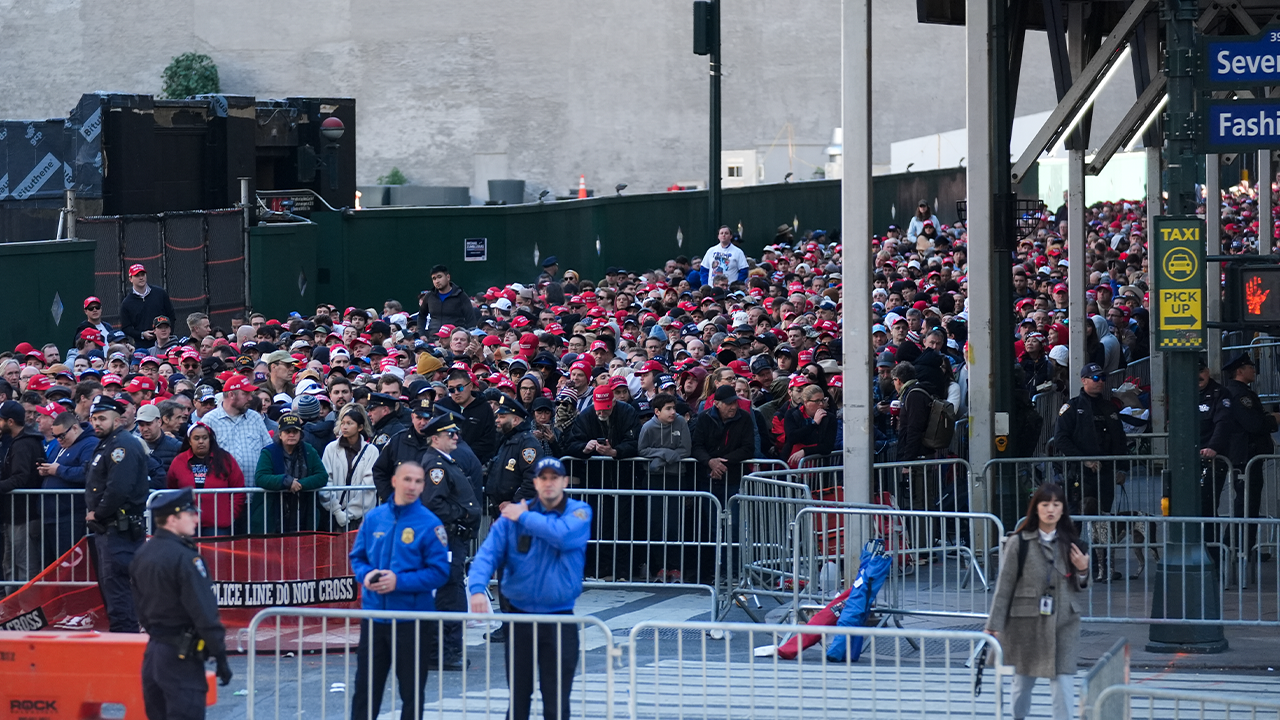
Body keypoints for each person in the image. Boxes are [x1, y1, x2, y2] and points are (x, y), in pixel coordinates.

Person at [468, 457, 590, 720]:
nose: (548, 483)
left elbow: (564, 535)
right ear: (535, 482)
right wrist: (477, 587)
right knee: (518, 698)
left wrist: (524, 516)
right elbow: (487, 554)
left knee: (556, 701)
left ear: (564, 482)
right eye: (542, 478)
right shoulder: (512, 518)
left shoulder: (578, 511)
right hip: (520, 618)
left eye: (554, 478)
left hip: (559, 619)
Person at [348, 461, 452, 720]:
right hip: (374, 618)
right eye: (407, 479)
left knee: (411, 693)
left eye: (418, 481)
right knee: (365, 690)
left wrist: (400, 581)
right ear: (394, 481)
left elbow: (439, 573)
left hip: (411, 621)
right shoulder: (374, 518)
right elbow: (357, 557)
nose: (413, 486)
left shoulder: (430, 524)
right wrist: (366, 574)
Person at [985, 483, 1089, 720]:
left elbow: (1081, 586)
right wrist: (994, 625)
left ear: (1063, 509)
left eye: (1056, 504)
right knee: (1022, 686)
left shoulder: (1072, 543)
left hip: (1063, 623)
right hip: (1026, 623)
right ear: (1036, 508)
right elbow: (1004, 586)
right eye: (1045, 504)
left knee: (1062, 685)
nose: (1050, 509)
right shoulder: (1019, 542)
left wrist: (1084, 570)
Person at [130, 488, 233, 720]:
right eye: (190, 514)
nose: (196, 518)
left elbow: (139, 605)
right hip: (181, 658)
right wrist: (221, 657)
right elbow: (205, 613)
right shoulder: (186, 558)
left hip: (154, 653)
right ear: (172, 519)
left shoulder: (143, 553)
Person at [418, 412, 482, 671]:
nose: (456, 436)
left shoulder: (444, 461)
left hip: (454, 537)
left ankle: (448, 647)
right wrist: (462, 516)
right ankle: (442, 650)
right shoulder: (436, 465)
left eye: (456, 432)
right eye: (449, 434)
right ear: (435, 439)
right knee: (449, 594)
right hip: (447, 537)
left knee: (453, 590)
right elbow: (434, 503)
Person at [84, 394, 150, 632]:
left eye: (102, 418)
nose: (96, 423)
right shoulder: (107, 443)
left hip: (118, 528)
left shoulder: (121, 445)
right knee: (114, 588)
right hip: (110, 529)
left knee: (118, 587)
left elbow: (118, 489)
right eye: (93, 419)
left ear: (118, 419)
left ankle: (124, 641)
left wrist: (98, 513)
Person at [1222, 352, 1280, 560]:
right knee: (1246, 503)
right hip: (1246, 455)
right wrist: (1273, 420)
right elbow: (1253, 424)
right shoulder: (1240, 395)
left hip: (1248, 455)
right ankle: (1239, 548)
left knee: (1248, 503)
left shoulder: (1241, 392)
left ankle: (1240, 546)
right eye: (1250, 367)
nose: (1253, 370)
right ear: (1240, 371)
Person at [1052, 363, 1127, 518]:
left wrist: (1122, 469)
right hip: (1079, 474)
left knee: (1104, 521)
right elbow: (1060, 439)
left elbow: (1120, 440)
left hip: (1105, 474)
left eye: (1102, 378)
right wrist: (1084, 460)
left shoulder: (1109, 408)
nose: (1099, 381)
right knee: (1075, 520)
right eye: (1095, 378)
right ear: (1083, 380)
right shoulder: (1072, 407)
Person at [37, 411, 97, 565]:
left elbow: (88, 473)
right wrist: (47, 470)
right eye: (55, 436)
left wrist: (58, 470)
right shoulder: (61, 445)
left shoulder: (90, 444)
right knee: (50, 565)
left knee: (69, 566)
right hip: (51, 515)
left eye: (62, 436)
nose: (59, 440)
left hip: (70, 517)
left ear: (75, 429)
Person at [251, 412, 327, 533]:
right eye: (287, 432)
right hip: (274, 511)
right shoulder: (269, 452)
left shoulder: (309, 450)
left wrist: (300, 484)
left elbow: (322, 476)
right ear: (280, 434)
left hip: (303, 510)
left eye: (295, 431)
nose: (291, 435)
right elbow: (261, 477)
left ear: (300, 434)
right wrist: (285, 481)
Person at [167, 423, 246, 536]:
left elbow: (239, 489)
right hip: (187, 522)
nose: (201, 442)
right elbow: (171, 489)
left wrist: (230, 514)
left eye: (205, 438)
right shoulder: (179, 461)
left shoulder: (226, 459)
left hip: (218, 524)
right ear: (190, 441)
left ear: (210, 440)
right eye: (196, 438)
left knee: (217, 554)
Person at [0, 400, 45, 584]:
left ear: (10, 422)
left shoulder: (23, 444)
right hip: (15, 515)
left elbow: (20, 478)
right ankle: (13, 608)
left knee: (24, 565)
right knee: (11, 564)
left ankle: (28, 608)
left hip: (24, 515)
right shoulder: (18, 441)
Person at [201, 375, 272, 485]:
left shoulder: (255, 417)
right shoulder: (209, 420)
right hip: (223, 493)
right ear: (231, 395)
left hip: (255, 491)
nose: (250, 398)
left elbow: (268, 450)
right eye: (245, 394)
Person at [319, 402, 378, 530]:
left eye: (349, 423)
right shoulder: (331, 448)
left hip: (361, 518)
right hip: (334, 516)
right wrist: (337, 511)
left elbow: (369, 486)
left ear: (360, 427)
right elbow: (325, 480)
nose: (344, 427)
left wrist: (349, 513)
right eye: (343, 423)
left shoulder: (371, 451)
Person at [485, 394, 544, 518]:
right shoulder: (506, 440)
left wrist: (514, 503)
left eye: (502, 416)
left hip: (519, 513)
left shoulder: (527, 443)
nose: (497, 420)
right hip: (503, 512)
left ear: (516, 420)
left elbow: (533, 480)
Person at [118, 264, 177, 346]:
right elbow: (126, 328)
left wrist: (167, 333)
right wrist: (142, 334)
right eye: (137, 275)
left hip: (166, 342)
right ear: (130, 279)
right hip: (143, 346)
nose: (141, 278)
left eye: (143, 274)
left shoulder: (160, 293)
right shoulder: (127, 303)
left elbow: (171, 315)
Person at [421, 265, 480, 335]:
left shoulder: (460, 295)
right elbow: (421, 316)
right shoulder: (429, 296)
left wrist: (469, 337)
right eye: (434, 278)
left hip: (455, 338)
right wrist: (421, 334)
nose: (437, 281)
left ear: (448, 277)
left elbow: (470, 319)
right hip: (433, 337)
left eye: (439, 277)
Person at [137, 403, 181, 489]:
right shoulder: (133, 446)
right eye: (141, 425)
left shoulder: (176, 447)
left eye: (149, 424)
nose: (145, 429)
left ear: (159, 422)